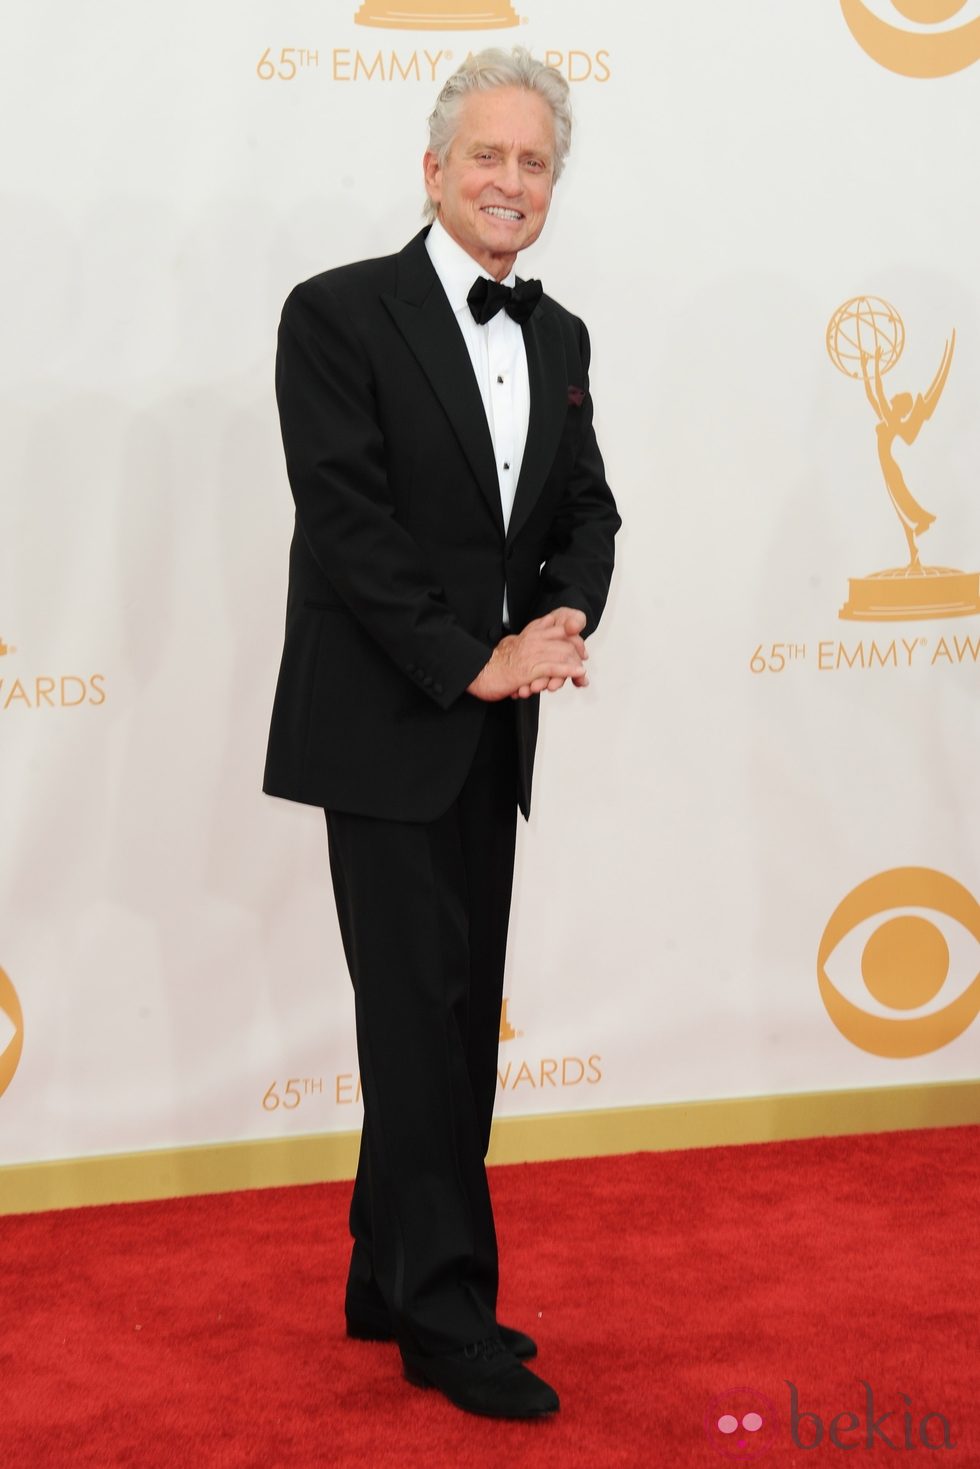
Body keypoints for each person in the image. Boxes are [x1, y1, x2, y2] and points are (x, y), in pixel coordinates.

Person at [264, 46, 620, 1420]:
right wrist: (470, 658)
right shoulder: (336, 315)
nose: (510, 181)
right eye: (489, 156)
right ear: (433, 168)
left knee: (450, 1016)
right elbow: (346, 524)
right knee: (421, 1018)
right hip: (387, 722)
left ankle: (381, 1270)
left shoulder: (562, 336)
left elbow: (587, 506)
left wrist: (563, 618)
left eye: (535, 163)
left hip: (494, 729)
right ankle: (444, 1314)